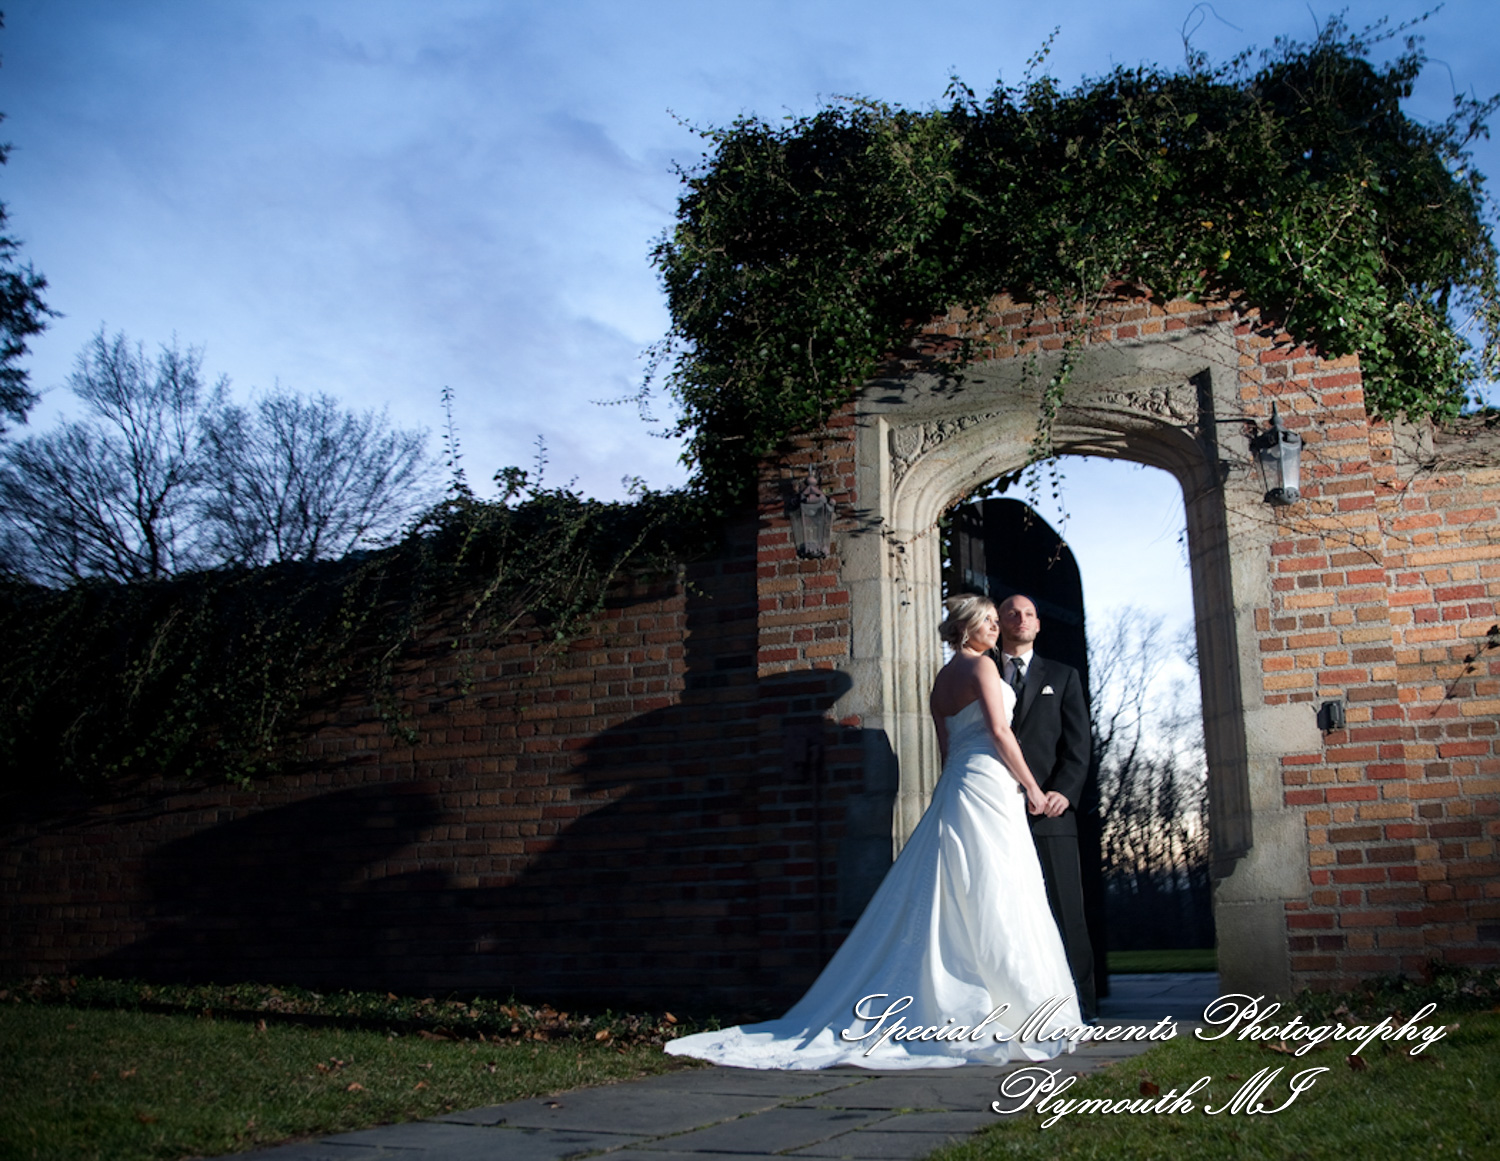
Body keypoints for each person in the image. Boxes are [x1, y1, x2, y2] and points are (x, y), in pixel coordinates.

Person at [664, 594, 1082, 1069]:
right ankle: (1014, 1005)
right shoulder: (983, 668)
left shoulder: (941, 681)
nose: (995, 628)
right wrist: (1030, 787)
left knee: (956, 886)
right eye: (987, 621)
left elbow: (948, 751)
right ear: (967, 630)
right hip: (990, 784)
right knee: (997, 885)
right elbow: (1001, 732)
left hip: (960, 786)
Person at [994, 593, 1097, 1018]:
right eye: (1012, 613)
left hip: (1050, 814)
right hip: (994, 812)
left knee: (1065, 911)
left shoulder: (1063, 675)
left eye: (1030, 613)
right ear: (997, 621)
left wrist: (1063, 792)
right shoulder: (978, 673)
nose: (1022, 618)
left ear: (1039, 625)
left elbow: (1078, 746)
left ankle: (1084, 1007)